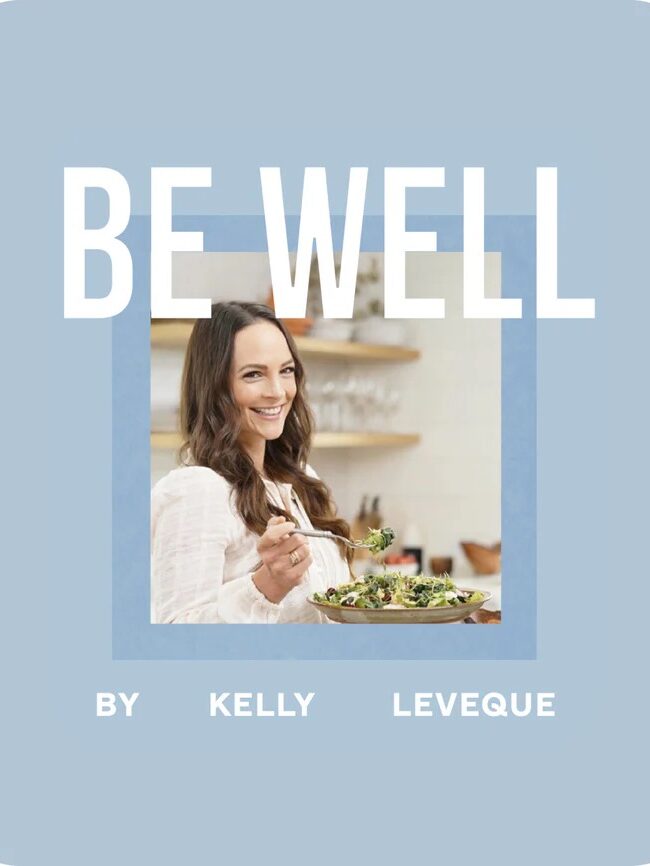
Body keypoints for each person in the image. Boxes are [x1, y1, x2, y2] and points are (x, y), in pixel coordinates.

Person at [151, 301, 352, 623]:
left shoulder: (298, 478)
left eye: (286, 371)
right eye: (254, 374)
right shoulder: (195, 491)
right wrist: (267, 586)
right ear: (214, 386)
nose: (277, 392)